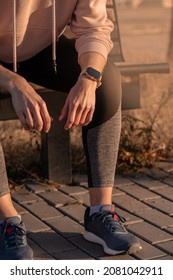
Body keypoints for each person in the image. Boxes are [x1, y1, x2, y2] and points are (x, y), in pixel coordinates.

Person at [0, 0, 142, 260]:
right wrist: (14, 82)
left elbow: (94, 29)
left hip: (39, 53)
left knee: (107, 82)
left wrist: (89, 78)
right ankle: (6, 219)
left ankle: (100, 211)